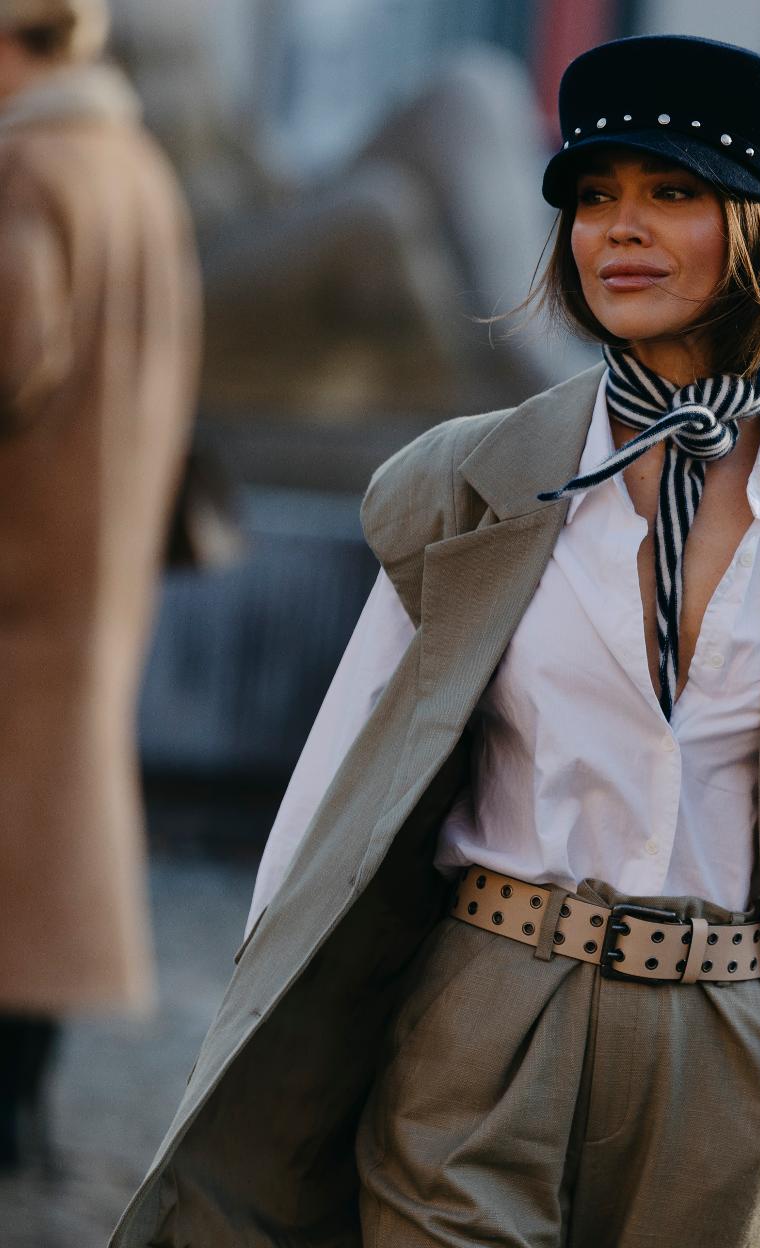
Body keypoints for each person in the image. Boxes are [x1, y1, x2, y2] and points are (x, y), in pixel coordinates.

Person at [113, 34, 760, 1248]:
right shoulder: (474, 478)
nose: (618, 229)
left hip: (723, 1041)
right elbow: (342, 790)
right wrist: (275, 1008)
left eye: (670, 194)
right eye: (594, 198)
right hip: (485, 1005)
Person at [0, 0, 201, 1172]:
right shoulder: (130, 159)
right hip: (93, 555)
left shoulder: (28, 168)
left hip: (21, 561)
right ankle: (25, 1114)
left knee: (26, 850)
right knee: (47, 851)